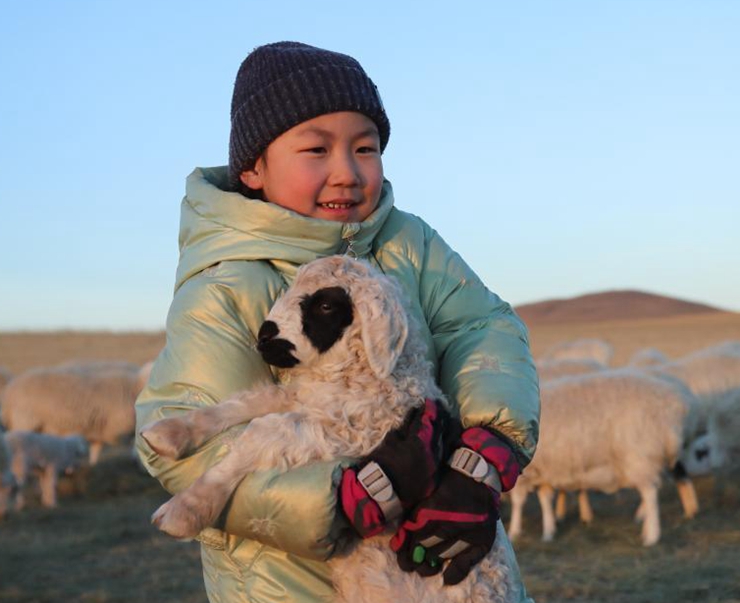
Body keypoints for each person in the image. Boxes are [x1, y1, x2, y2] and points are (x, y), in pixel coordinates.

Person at [135, 41, 539, 603]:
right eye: (316, 149)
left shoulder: (409, 244)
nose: (347, 172)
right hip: (293, 583)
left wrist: (478, 466)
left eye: (366, 148)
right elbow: (183, 439)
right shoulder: (226, 284)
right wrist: (346, 494)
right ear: (253, 168)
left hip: (446, 566)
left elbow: (483, 331)